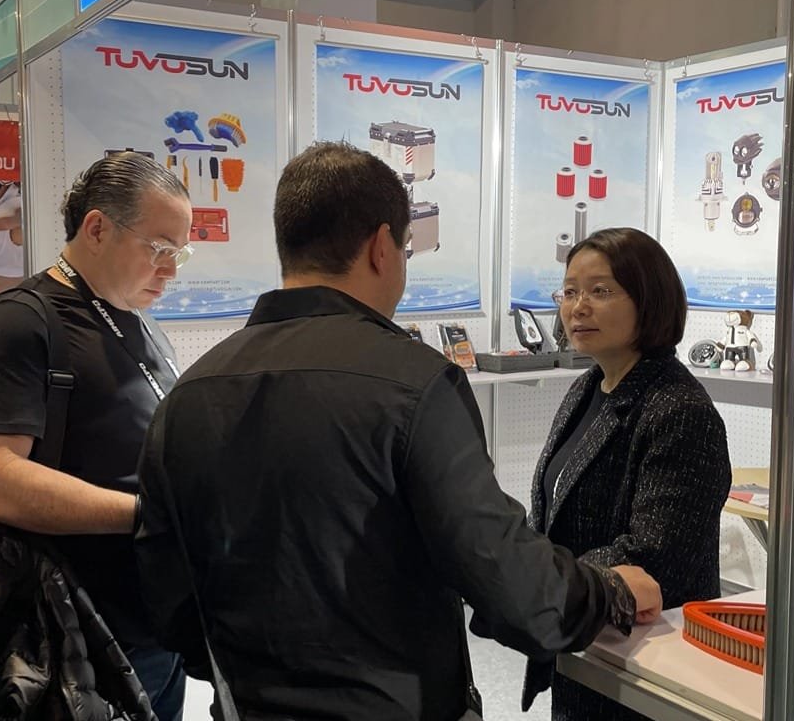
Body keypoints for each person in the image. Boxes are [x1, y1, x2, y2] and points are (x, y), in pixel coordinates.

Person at [135, 141, 662, 721]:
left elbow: (167, 595)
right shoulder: (416, 384)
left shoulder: (187, 395)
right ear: (382, 246)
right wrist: (607, 593)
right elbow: (503, 575)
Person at [0, 152, 194, 721]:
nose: (170, 271)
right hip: (74, 634)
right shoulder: (17, 323)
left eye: (180, 254)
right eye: (159, 249)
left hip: (156, 621)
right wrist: (148, 515)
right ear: (97, 228)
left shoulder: (135, 319)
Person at [528, 227, 731, 721]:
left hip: (645, 663)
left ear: (649, 299)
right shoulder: (587, 388)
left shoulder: (679, 410)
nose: (578, 307)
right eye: (569, 291)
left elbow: (656, 555)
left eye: (600, 291)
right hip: (585, 642)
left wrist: (550, 584)